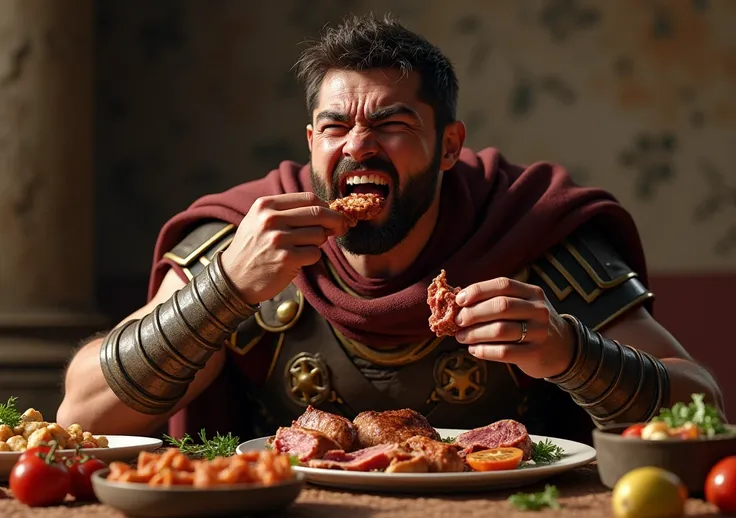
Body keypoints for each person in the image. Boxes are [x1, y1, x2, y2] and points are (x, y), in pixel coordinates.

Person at [58, 14, 724, 444]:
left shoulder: (534, 233)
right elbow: (81, 416)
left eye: (392, 125)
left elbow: (703, 408)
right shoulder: (242, 237)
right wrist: (225, 289)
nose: (358, 145)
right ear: (310, 140)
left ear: (448, 144)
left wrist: (570, 352)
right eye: (335, 126)